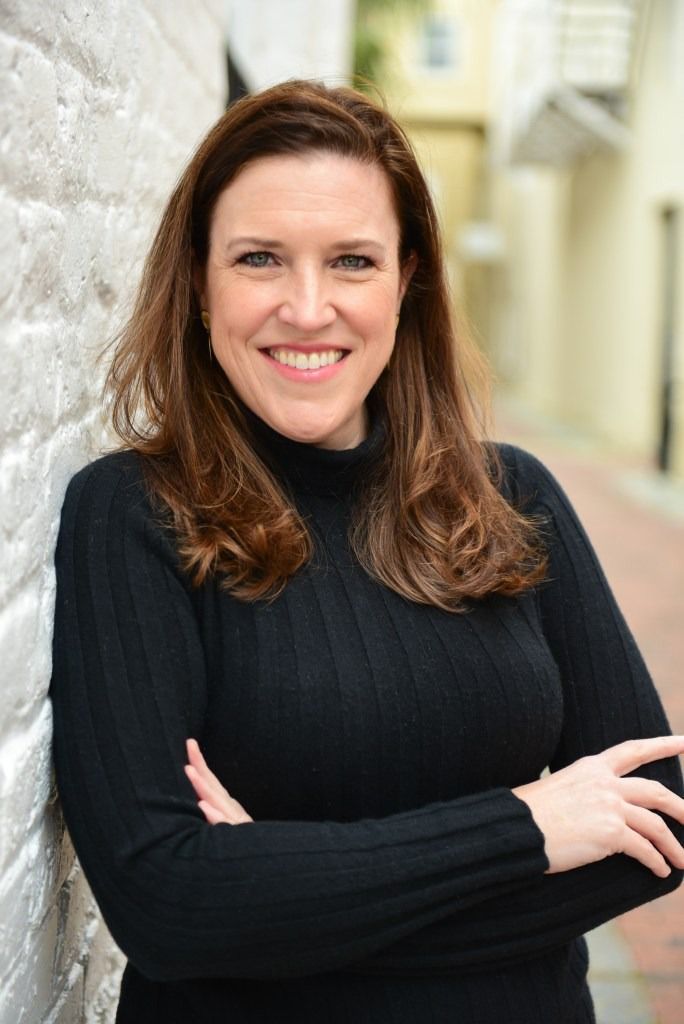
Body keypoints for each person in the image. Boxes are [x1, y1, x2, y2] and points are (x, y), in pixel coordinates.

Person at [50, 80, 684, 1024]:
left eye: (352, 260)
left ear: (408, 280)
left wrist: (282, 893)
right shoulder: (134, 514)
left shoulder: (512, 497)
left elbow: (656, 821)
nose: (308, 310)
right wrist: (528, 828)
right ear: (196, 280)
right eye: (259, 258)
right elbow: (169, 904)